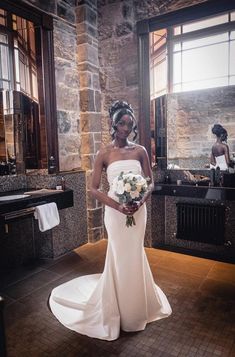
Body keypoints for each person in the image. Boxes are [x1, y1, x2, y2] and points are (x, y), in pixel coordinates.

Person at [49, 100, 172, 341]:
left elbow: (150, 182)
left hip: (138, 212)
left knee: (134, 253)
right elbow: (93, 189)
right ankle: (117, 310)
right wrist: (117, 205)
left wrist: (140, 201)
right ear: (113, 124)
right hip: (115, 215)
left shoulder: (140, 151)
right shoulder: (104, 153)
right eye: (121, 123)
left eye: (130, 123)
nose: (126, 128)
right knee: (118, 255)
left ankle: (136, 310)